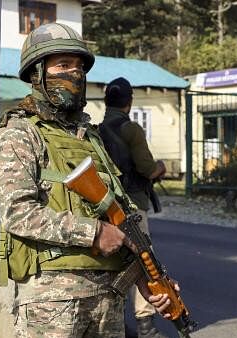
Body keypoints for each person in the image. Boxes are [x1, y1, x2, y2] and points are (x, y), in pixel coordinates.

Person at [0, 23, 175, 338]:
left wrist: (151, 274)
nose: (74, 74)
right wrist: (94, 232)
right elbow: (17, 213)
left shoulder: (90, 136)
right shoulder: (19, 132)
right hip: (52, 303)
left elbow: (123, 213)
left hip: (108, 300)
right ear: (38, 72)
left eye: (78, 68)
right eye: (63, 65)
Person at [99, 77, 168, 338]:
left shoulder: (97, 130)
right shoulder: (132, 130)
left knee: (114, 263)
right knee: (143, 262)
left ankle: (116, 321)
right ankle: (146, 326)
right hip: (133, 206)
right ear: (129, 102)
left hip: (106, 205)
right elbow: (147, 169)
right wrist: (161, 167)